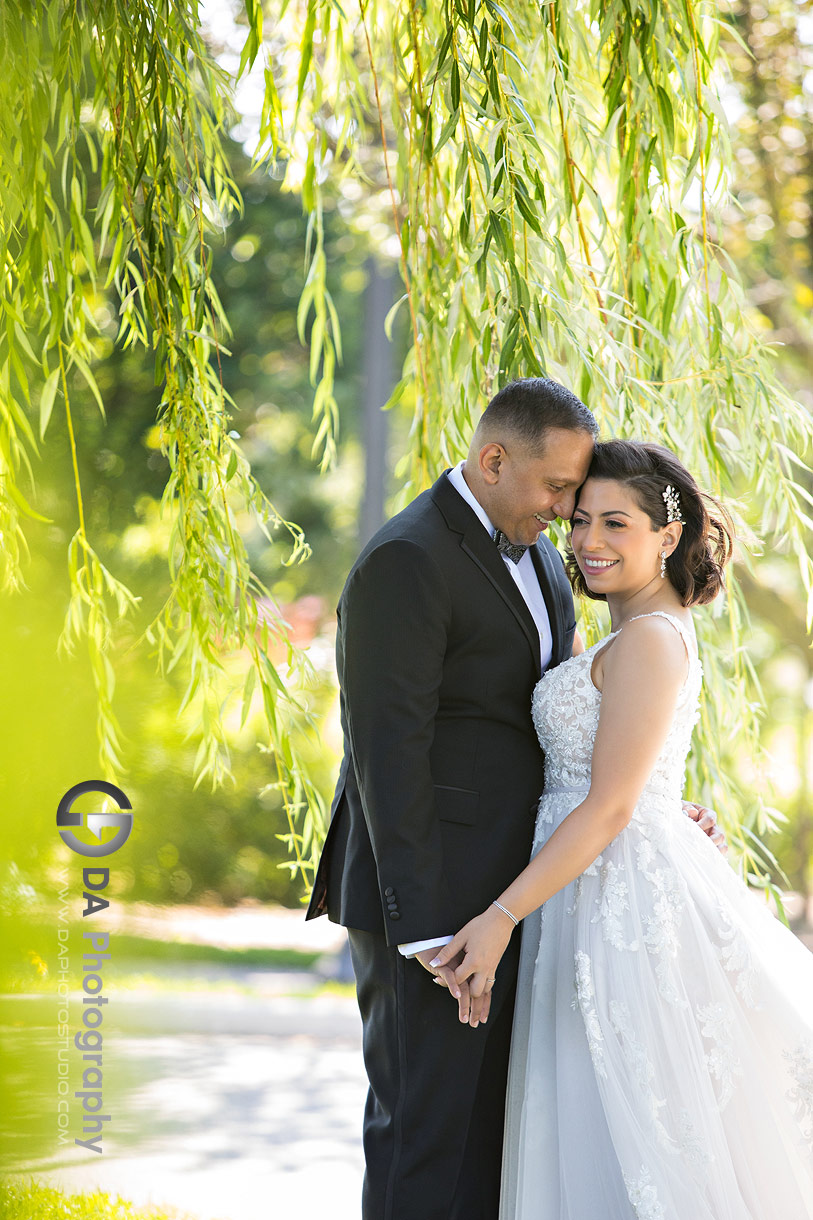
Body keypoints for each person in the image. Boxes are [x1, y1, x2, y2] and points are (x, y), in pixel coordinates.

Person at [306, 386, 723, 1220]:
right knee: (425, 1136)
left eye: (585, 503)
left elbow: (558, 721)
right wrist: (425, 928)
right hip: (434, 903)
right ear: (493, 460)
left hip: (520, 894)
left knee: (493, 1147)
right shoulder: (409, 559)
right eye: (560, 491)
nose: (569, 516)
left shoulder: (534, 555)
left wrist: (646, 808)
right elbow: (387, 753)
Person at [433, 439, 813, 1218]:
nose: (587, 540)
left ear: (666, 537)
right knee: (595, 1119)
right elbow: (623, 778)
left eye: (615, 523)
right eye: (580, 520)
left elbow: (609, 806)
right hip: (588, 882)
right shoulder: (631, 632)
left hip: (618, 902)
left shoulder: (648, 638)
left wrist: (500, 916)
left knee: (635, 1118)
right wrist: (663, 804)